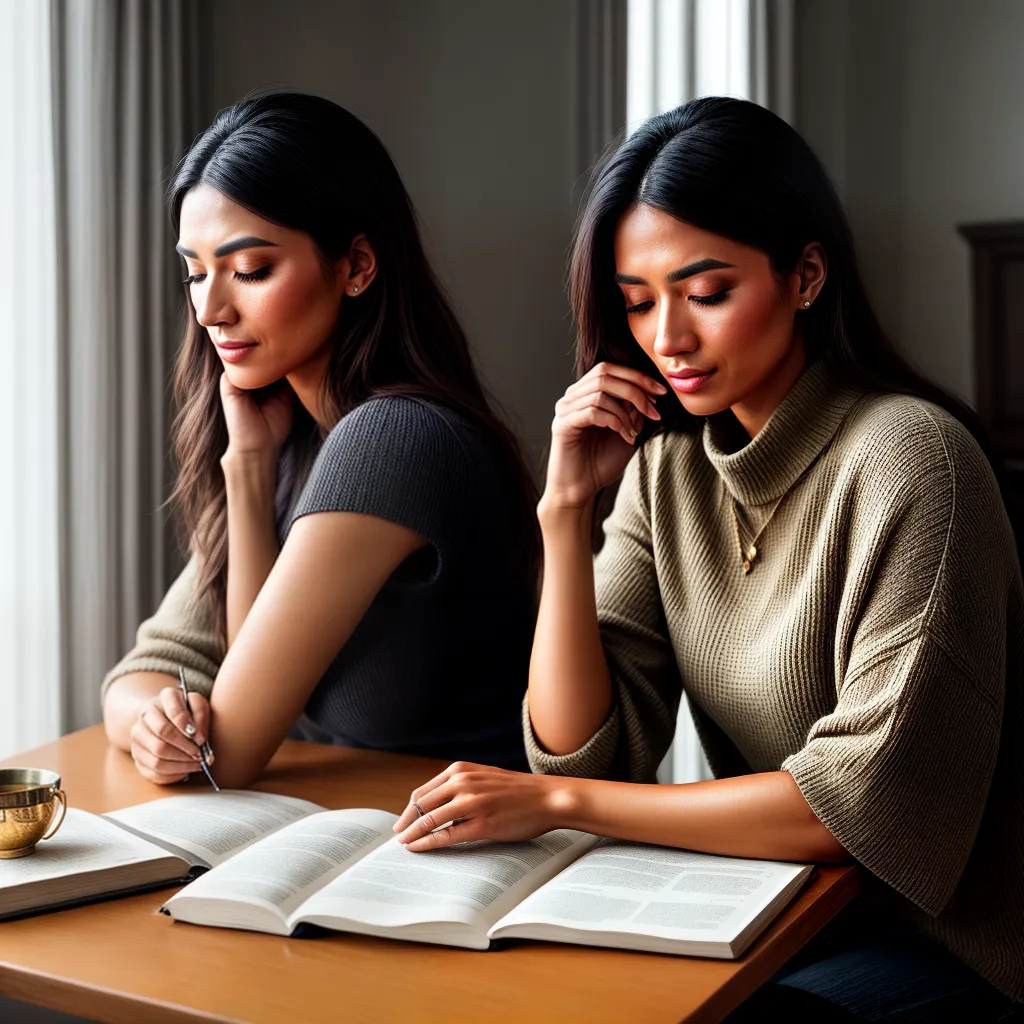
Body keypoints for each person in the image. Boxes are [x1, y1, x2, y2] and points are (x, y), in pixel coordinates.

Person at [392, 97, 1023, 1019]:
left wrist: (562, 808)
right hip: (776, 907)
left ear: (806, 274)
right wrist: (565, 514)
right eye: (638, 302)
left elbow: (852, 806)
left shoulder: (912, 460)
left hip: (947, 942)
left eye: (708, 292)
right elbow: (584, 755)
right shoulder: (668, 468)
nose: (668, 339)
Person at [101, 93, 538, 787]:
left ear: (356, 265)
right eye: (195, 271)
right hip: (356, 839)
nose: (211, 309)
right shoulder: (293, 439)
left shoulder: (392, 441)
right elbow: (149, 669)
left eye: (249, 271)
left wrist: (193, 731)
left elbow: (232, 747)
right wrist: (247, 467)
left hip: (471, 867)